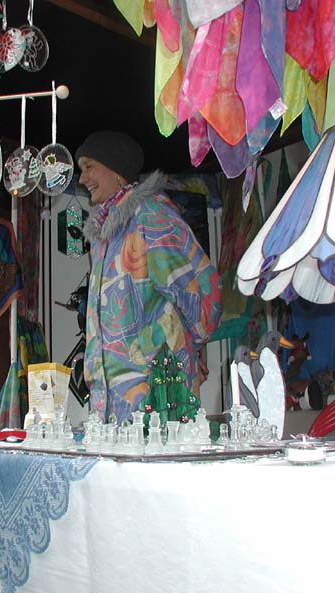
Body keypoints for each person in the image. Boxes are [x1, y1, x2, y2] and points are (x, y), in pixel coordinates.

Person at [76, 131, 223, 424]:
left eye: (89, 166)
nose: (82, 179)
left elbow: (203, 290)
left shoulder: (152, 216)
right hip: (110, 398)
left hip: (156, 392)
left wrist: (189, 349)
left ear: (117, 170)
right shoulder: (103, 236)